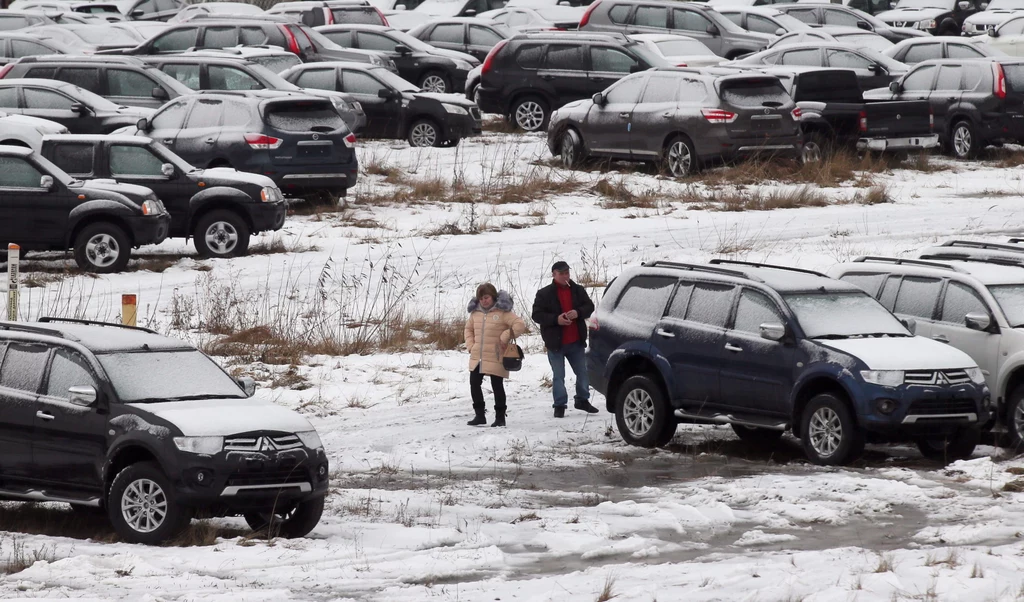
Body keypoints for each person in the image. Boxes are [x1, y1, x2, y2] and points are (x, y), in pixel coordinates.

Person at [532, 261, 598, 418]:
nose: (565, 276)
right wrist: (557, 319)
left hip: (575, 341)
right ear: (554, 275)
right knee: (558, 376)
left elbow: (589, 306)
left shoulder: (577, 290)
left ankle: (582, 400)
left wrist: (578, 312)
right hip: (556, 343)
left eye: (567, 273)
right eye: (561, 273)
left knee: (582, 373)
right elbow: (537, 315)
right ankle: (559, 405)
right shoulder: (544, 293)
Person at [465, 283, 528, 427]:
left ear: (492, 297)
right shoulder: (475, 313)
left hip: (496, 354)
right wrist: (470, 345)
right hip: (478, 355)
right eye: (481, 298)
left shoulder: (503, 312)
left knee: (497, 385)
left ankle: (500, 417)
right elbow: (468, 329)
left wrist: (505, 336)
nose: (484, 301)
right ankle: (479, 415)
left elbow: (519, 325)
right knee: (474, 383)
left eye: (486, 297)